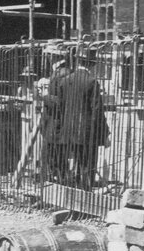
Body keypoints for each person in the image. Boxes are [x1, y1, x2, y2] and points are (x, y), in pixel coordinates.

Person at [53, 44, 110, 190]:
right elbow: (97, 111)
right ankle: (85, 197)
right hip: (86, 134)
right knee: (87, 166)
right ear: (92, 64)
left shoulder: (64, 81)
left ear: (78, 62)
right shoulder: (91, 82)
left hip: (68, 132)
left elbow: (59, 107)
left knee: (74, 164)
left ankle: (73, 195)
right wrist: (105, 134)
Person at [40, 43, 72, 183]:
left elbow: (61, 102)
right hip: (55, 123)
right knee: (55, 160)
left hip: (57, 124)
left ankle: (57, 189)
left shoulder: (62, 73)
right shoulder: (61, 72)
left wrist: (44, 96)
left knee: (56, 159)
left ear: (51, 56)